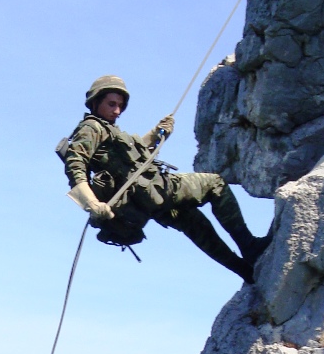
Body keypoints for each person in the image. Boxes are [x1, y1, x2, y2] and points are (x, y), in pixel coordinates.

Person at [60, 75, 271, 283]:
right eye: (111, 104)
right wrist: (92, 203)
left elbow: (130, 160)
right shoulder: (91, 128)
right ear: (95, 102)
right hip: (158, 189)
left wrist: (156, 133)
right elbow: (75, 164)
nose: (117, 111)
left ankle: (245, 271)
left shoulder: (108, 130)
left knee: (196, 226)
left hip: (148, 202)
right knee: (215, 184)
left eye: (120, 106)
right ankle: (249, 246)